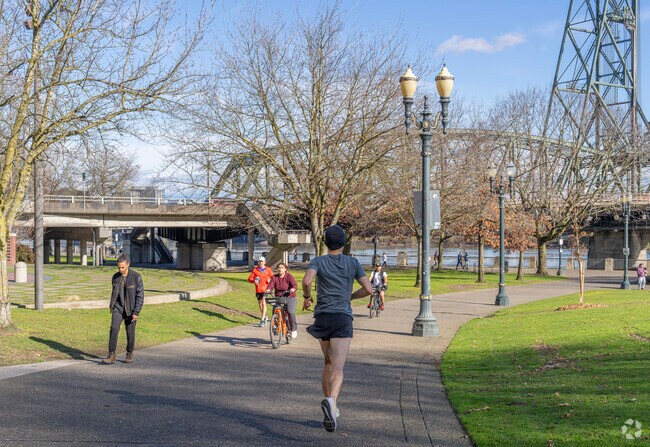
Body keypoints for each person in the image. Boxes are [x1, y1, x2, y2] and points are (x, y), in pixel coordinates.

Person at [302, 225, 373, 433]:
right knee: (338, 367)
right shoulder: (353, 263)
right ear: (343, 242)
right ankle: (332, 403)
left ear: (325, 242)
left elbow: (307, 281)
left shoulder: (318, 261)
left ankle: (328, 402)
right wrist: (350, 296)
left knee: (327, 362)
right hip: (342, 317)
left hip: (323, 316)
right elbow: (368, 289)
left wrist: (307, 298)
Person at [103, 253, 144, 364]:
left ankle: (129, 353)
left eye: (123, 267)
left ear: (128, 265)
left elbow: (140, 296)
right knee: (114, 329)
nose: (120, 269)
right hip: (118, 308)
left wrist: (136, 311)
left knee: (130, 333)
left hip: (131, 310)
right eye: (119, 267)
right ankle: (111, 354)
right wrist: (112, 305)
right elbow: (114, 293)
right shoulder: (115, 277)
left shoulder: (136, 277)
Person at [267, 262, 299, 338]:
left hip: (289, 297)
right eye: (279, 267)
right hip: (278, 298)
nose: (280, 269)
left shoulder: (289, 277)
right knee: (275, 310)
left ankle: (293, 329)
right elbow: (270, 285)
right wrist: (268, 289)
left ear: (285, 269)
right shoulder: (274, 277)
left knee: (290, 311)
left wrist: (293, 289)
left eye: (282, 267)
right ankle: (275, 325)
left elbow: (294, 285)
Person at [248, 256, 274, 327]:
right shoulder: (255, 270)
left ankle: (262, 320)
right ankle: (265, 316)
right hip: (258, 289)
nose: (261, 262)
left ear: (264, 262)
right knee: (260, 304)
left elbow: (273, 278)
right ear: (258, 262)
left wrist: (269, 280)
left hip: (266, 289)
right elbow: (250, 279)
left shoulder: (268, 270)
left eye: (262, 261)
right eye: (260, 261)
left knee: (263, 303)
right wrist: (254, 280)